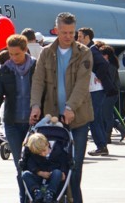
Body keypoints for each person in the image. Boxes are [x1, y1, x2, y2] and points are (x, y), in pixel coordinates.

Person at [30, 12, 93, 203]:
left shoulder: (84, 52)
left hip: (78, 118)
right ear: (56, 30)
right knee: (54, 165)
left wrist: (71, 107)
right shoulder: (46, 52)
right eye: (64, 32)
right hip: (52, 120)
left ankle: (74, 198)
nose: (68, 36)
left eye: (71, 32)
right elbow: (38, 81)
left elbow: (82, 84)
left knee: (75, 167)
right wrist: (35, 105)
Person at [0, 34, 36, 202]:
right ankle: (24, 198)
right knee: (20, 164)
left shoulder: (36, 66)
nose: (13, 57)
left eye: (17, 54)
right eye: (11, 54)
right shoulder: (4, 69)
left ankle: (35, 195)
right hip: (12, 123)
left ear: (25, 50)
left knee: (34, 163)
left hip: (34, 124)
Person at [76, 27, 117, 157]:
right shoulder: (88, 50)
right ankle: (101, 145)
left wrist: (99, 76)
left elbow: (104, 65)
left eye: (80, 36)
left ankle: (101, 145)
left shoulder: (92, 50)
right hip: (92, 90)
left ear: (87, 37)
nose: (78, 39)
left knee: (93, 118)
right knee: (95, 118)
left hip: (96, 90)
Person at [21, 132, 69, 203]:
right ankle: (36, 191)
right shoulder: (34, 154)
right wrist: (39, 172)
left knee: (57, 172)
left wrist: (63, 172)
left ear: (48, 144)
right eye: (39, 153)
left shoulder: (58, 150)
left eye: (44, 151)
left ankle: (50, 193)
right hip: (39, 177)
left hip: (53, 178)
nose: (43, 154)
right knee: (25, 174)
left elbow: (64, 162)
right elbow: (31, 164)